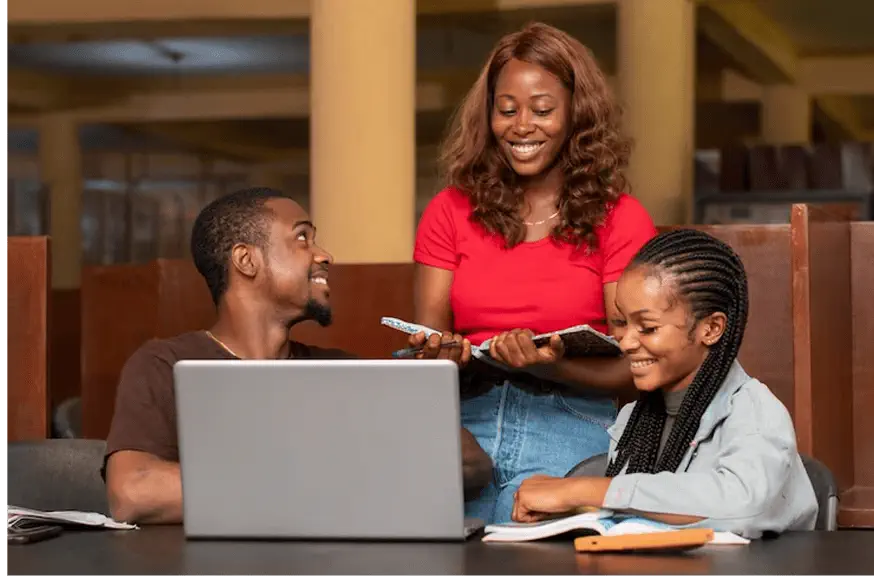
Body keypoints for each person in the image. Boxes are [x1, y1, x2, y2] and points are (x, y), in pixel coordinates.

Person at [103, 187, 493, 525]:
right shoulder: (164, 364)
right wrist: (331, 482)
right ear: (246, 260)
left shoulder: (343, 372)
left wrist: (417, 397)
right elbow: (134, 492)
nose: (325, 255)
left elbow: (472, 465)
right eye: (302, 238)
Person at [409, 22, 658, 524]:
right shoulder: (449, 210)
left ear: (575, 115)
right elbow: (426, 351)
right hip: (462, 421)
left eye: (543, 110)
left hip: (574, 419)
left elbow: (636, 368)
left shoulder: (621, 218)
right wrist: (444, 355)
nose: (522, 125)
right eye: (507, 110)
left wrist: (544, 366)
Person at [510, 229, 819, 539]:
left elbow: (740, 503)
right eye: (622, 323)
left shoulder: (754, 412)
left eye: (647, 327)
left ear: (710, 328)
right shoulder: (635, 418)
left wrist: (586, 490)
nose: (627, 342)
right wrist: (570, 511)